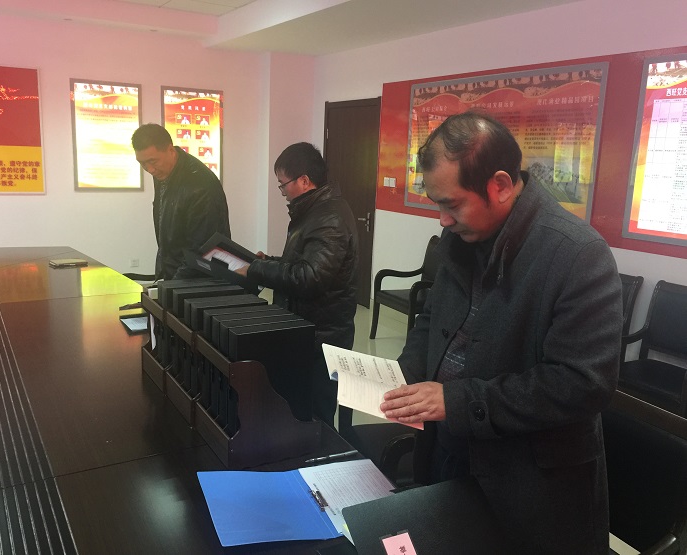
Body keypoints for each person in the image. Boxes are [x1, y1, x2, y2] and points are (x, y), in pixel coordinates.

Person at [379, 112, 622, 554]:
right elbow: (432, 320)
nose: (443, 220)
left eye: (452, 205)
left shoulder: (577, 254)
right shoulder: (462, 239)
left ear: (501, 186)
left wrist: (457, 400)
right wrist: (404, 375)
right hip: (449, 452)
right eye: (437, 204)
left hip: (530, 489)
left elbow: (582, 384)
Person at [235, 142, 359, 427]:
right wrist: (269, 262)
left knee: (315, 416)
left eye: (283, 184)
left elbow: (309, 278)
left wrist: (257, 269)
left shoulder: (329, 218)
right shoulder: (315, 211)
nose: (282, 192)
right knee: (297, 407)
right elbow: (302, 263)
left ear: (304, 180)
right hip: (307, 330)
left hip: (322, 337)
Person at [132, 123, 230, 280]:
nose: (150, 169)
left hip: (198, 281)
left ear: (171, 150)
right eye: (143, 163)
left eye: (153, 161)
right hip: (176, 274)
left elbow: (202, 250)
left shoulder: (201, 185)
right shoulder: (164, 172)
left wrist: (173, 286)